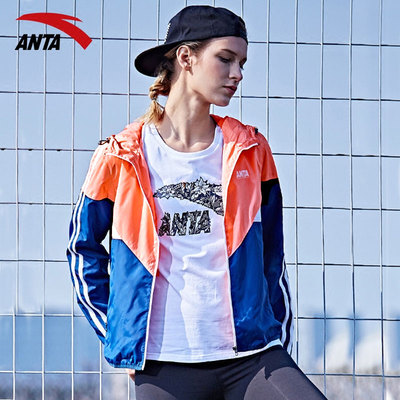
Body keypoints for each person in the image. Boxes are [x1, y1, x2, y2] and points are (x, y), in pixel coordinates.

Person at [67, 5, 327, 400]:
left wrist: (276, 338)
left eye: (241, 63)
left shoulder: (250, 149)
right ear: (186, 58)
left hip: (252, 355)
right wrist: (117, 332)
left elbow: (272, 255)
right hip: (163, 362)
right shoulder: (120, 155)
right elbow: (81, 248)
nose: (237, 74)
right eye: (225, 59)